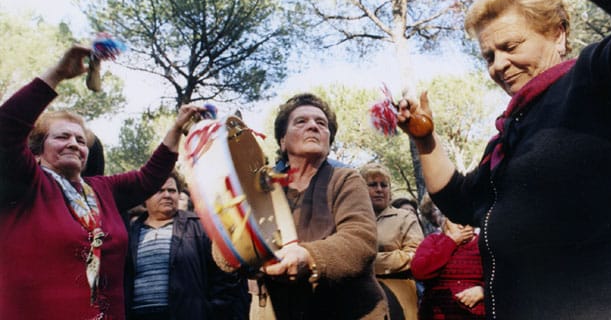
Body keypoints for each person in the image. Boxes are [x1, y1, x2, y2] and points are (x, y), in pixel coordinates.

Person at [396, 0, 611, 318]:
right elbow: (462, 201)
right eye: (488, 56)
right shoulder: (510, 131)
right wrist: (425, 140)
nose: (499, 65)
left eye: (511, 46)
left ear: (558, 34)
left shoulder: (599, 78)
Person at [0, 45, 202, 319]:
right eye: (62, 137)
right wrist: (58, 74)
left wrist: (177, 129)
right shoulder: (26, 182)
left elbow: (149, 177)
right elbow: (6, 127)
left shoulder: (101, 189)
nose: (73, 144)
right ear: (36, 152)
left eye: (80, 141)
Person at [253, 93, 387, 319]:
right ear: (282, 141)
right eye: (301, 121)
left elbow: (360, 240)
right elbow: (231, 253)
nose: (313, 126)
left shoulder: (346, 179)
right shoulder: (264, 189)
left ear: (329, 140)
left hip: (350, 310)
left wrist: (308, 255)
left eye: (321, 123)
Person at [126, 170, 249, 319]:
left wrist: (210, 310)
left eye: (172, 190)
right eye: (159, 190)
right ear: (145, 196)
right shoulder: (129, 233)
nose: (167, 195)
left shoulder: (200, 227)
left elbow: (225, 274)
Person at [360, 163, 424, 320]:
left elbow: (415, 256)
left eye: (384, 185)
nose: (379, 189)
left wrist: (366, 262)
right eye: (373, 185)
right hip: (358, 294)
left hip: (398, 292)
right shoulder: (351, 219)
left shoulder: (404, 217)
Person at [411, 218, 484, 320]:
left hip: (475, 313)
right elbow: (419, 271)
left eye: (466, 221)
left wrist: (483, 291)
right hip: (436, 312)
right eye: (455, 220)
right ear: (445, 222)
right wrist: (451, 241)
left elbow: (502, 280)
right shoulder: (433, 241)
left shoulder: (484, 245)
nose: (461, 226)